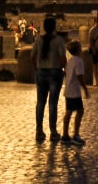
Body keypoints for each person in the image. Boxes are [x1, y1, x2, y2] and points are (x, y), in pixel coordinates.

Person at [34, 15, 67, 144]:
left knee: (40, 103)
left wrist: (36, 69)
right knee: (53, 103)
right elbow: (63, 58)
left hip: (41, 72)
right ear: (54, 27)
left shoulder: (38, 40)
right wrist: (63, 69)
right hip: (55, 72)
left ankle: (39, 130)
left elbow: (32, 56)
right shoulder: (58, 41)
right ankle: (53, 132)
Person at [61, 39, 89, 146]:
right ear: (78, 50)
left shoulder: (70, 61)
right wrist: (85, 88)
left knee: (68, 111)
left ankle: (65, 135)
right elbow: (79, 76)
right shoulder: (79, 61)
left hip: (68, 90)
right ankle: (76, 134)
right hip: (74, 91)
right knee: (80, 111)